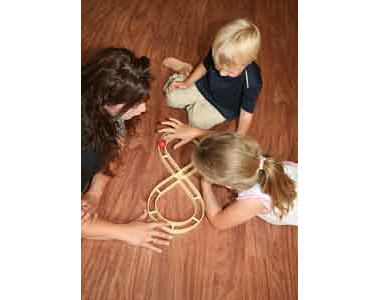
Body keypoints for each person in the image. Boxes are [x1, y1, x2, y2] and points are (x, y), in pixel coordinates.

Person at [81, 48, 172, 253]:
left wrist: (95, 193)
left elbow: (115, 150)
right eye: (134, 105)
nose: (143, 110)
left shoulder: (112, 117)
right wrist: (126, 232)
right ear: (104, 102)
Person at [158, 119, 298, 229]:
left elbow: (218, 221)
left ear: (226, 185)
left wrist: (205, 183)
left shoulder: (252, 201)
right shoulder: (252, 156)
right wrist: (196, 132)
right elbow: (229, 146)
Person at [163, 18, 262, 134]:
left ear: (247, 62)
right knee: (171, 97)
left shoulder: (253, 82)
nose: (222, 73)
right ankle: (185, 69)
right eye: (218, 66)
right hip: (203, 86)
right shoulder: (220, 51)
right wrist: (187, 83)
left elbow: (246, 115)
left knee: (196, 122)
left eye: (230, 72)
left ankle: (192, 97)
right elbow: (204, 66)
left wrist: (239, 137)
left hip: (222, 107)